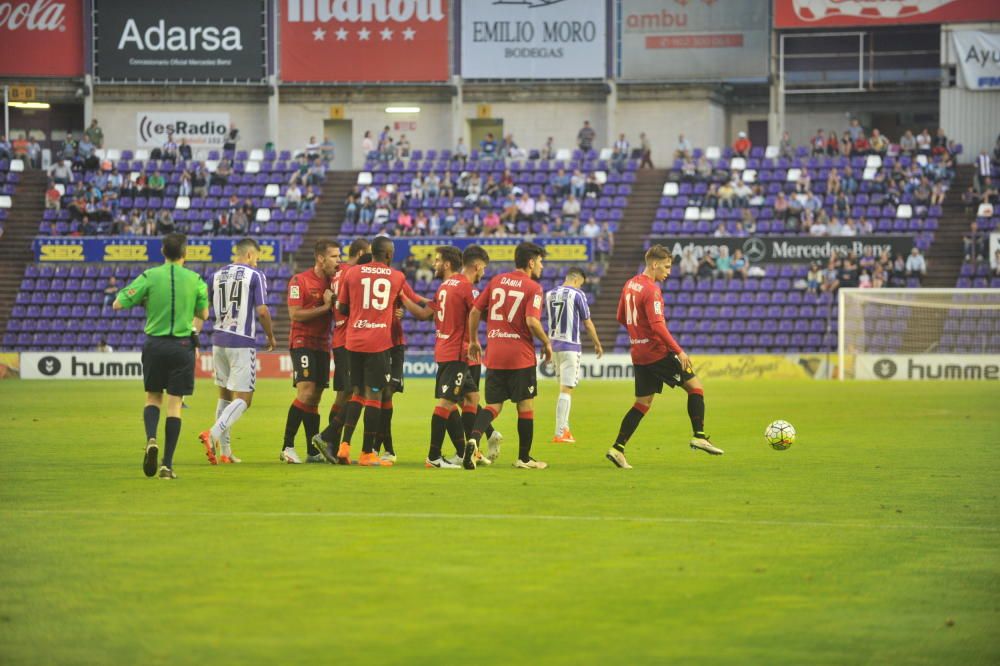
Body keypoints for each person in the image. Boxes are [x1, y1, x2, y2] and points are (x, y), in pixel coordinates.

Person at [607, 245, 723, 469]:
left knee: (642, 403)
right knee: (696, 388)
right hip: (658, 352)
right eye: (667, 267)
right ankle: (699, 435)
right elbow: (658, 326)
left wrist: (637, 335)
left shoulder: (630, 284)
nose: (669, 272)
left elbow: (621, 316)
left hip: (638, 354)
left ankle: (617, 448)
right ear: (654, 264)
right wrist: (679, 351)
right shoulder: (651, 290)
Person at [113, 233, 209, 480]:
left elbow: (118, 303)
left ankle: (151, 439)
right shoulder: (196, 279)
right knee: (175, 404)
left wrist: (144, 300)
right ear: (185, 253)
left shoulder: (149, 276)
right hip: (182, 345)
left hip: (155, 344)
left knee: (153, 397)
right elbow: (204, 314)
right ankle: (167, 465)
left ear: (163, 252)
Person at [326, 237, 429, 467]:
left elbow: (342, 308)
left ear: (371, 252)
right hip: (378, 343)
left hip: (353, 341)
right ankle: (366, 453)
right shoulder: (396, 277)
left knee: (357, 393)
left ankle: (344, 448)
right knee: (375, 396)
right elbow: (415, 307)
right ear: (389, 255)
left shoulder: (352, 273)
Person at [466, 242, 554, 470]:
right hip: (520, 356)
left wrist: (474, 340)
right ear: (531, 262)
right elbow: (532, 321)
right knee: (525, 405)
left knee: (493, 405)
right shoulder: (533, 288)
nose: (542, 267)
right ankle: (524, 458)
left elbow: (475, 310)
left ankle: (474, 440)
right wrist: (546, 343)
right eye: (541, 262)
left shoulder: (496, 281)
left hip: (495, 353)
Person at [198, 239, 277, 465]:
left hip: (218, 340)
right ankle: (212, 434)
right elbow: (262, 311)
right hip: (241, 342)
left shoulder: (215, 275)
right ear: (251, 255)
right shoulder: (255, 275)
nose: (257, 262)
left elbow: (203, 308)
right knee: (244, 399)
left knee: (224, 395)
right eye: (257, 258)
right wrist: (270, 336)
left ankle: (225, 451)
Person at [422, 245, 496, 468]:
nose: (483, 274)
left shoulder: (446, 285)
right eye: (484, 269)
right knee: (447, 403)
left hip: (446, 347)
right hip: (456, 352)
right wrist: (475, 339)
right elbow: (476, 313)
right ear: (478, 266)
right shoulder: (466, 287)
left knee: (472, 398)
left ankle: (467, 452)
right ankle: (433, 456)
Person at [280, 241, 341, 464]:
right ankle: (287, 446)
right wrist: (325, 307)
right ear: (320, 259)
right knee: (305, 393)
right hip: (302, 340)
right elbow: (295, 314)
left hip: (323, 344)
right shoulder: (299, 281)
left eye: (339, 256)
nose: (338, 260)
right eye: (334, 256)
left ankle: (312, 451)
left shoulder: (335, 282)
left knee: (315, 398)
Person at [311, 239, 371, 460]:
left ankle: (332, 446)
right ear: (363, 253)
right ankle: (328, 438)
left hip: (340, 339)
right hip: (349, 340)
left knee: (344, 395)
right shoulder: (352, 273)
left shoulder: (338, 273)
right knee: (358, 393)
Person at [546, 267, 603, 443]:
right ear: (577, 280)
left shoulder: (549, 294)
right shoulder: (577, 294)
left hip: (554, 346)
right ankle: (560, 432)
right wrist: (597, 343)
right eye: (581, 284)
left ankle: (565, 429)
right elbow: (587, 322)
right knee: (566, 390)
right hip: (570, 347)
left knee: (562, 389)